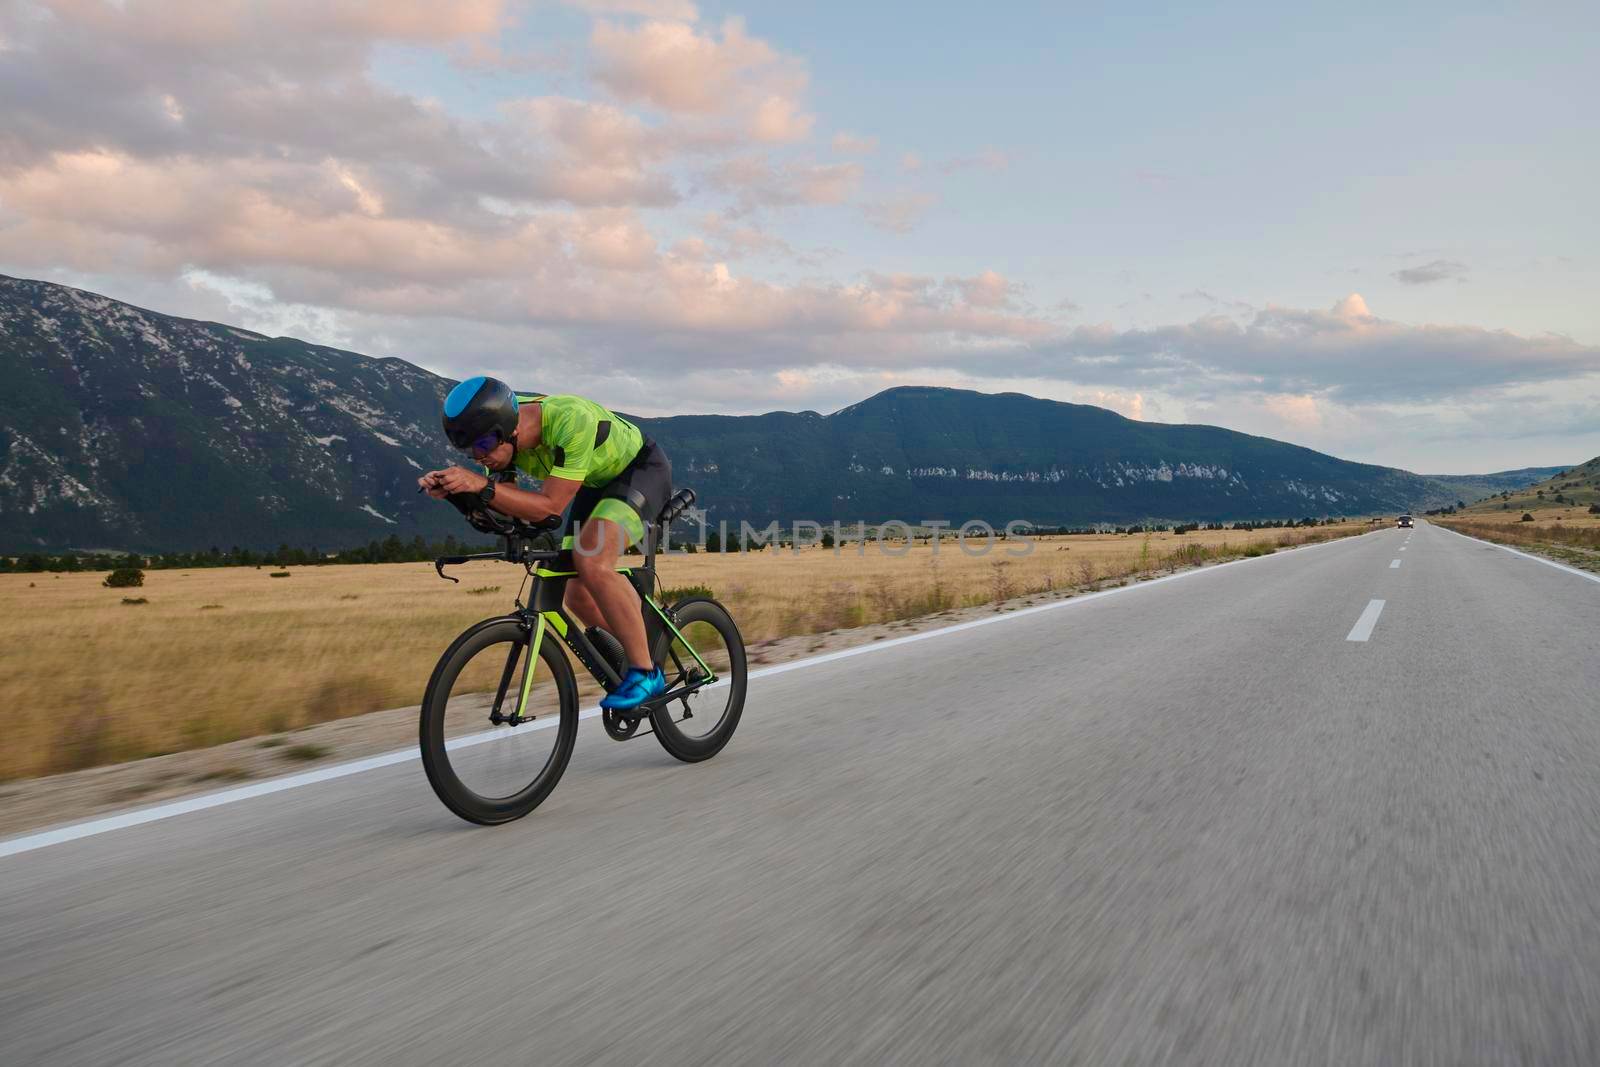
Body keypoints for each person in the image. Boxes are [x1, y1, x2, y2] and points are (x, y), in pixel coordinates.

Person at [419, 376, 671, 710]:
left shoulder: (570, 421)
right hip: (592, 483)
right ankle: (645, 642)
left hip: (639, 471)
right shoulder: (502, 438)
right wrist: (458, 494)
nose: (478, 459)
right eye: (468, 453)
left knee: (591, 561)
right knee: (576, 593)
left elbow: (550, 508)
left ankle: (645, 671)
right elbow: (506, 508)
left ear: (507, 429)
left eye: (481, 448)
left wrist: (478, 485)